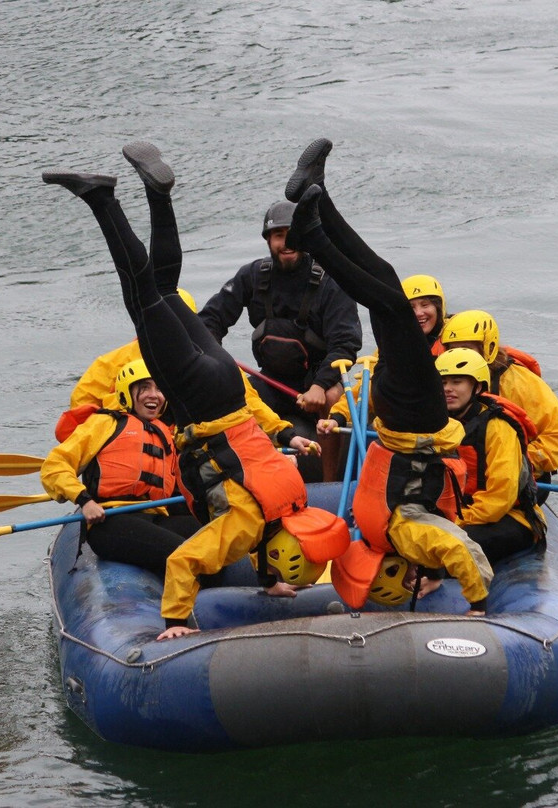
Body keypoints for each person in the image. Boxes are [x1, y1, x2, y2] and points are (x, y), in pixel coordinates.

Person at [42, 141, 349, 641]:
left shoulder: (291, 500)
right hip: (200, 403)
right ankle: (101, 200)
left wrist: (269, 581)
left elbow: (261, 529)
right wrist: (176, 622)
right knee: (141, 294)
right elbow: (185, 561)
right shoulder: (248, 528)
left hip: (226, 378)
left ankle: (158, 195)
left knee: (164, 288)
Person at [282, 138, 493, 613]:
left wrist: (479, 602)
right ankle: (319, 200)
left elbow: (458, 548)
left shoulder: (401, 533)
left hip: (415, 419)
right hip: (406, 417)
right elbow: (446, 540)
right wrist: (438, 573)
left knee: (392, 303)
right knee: (386, 285)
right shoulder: (379, 528)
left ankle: (314, 233)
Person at [197, 198, 363, 482]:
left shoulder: (330, 282)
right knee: (231, 398)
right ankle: (246, 478)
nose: (286, 243)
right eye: (278, 235)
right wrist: (217, 364)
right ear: (268, 240)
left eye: (293, 234)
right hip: (272, 380)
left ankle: (330, 484)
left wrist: (320, 385)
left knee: (333, 398)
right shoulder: (252, 275)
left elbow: (346, 344)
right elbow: (210, 320)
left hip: (317, 382)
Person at [64, 294, 300, 450]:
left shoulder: (211, 361)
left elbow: (249, 403)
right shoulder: (111, 364)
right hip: (135, 445)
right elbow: (81, 411)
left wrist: (282, 432)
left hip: (190, 445)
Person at [41, 358, 200, 576]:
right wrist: (84, 501)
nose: (154, 395)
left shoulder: (166, 433)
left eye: (159, 389)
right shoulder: (105, 424)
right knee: (187, 556)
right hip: (111, 521)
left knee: (213, 540)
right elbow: (54, 466)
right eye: (145, 388)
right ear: (126, 392)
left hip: (156, 517)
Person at [435, 348, 547, 564]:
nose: (448, 389)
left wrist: (459, 520)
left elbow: (499, 498)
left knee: (454, 545)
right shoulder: (439, 424)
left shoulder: (498, 427)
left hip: (508, 517)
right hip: (460, 512)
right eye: (443, 382)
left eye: (457, 382)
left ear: (477, 387)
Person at [439, 309, 558, 483]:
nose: (460, 356)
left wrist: (511, 462)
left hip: (517, 475)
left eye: (467, 349)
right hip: (465, 470)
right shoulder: (444, 381)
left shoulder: (520, 383)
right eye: (453, 350)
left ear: (487, 348)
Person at [317, 273, 446, 436]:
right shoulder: (391, 346)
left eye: (425, 305)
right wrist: (337, 417)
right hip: (404, 424)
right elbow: (364, 390)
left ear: (438, 308)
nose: (419, 313)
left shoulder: (454, 341)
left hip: (444, 423)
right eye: (411, 307)